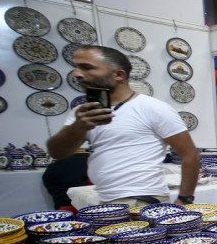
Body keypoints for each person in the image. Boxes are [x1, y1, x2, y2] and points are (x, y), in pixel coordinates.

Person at [46, 46, 200, 207]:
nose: (76, 74)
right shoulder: (82, 112)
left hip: (142, 200)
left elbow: (190, 155)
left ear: (119, 75)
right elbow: (57, 152)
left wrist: (185, 199)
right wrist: (79, 126)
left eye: (86, 67)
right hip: (106, 198)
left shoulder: (152, 108)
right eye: (76, 67)